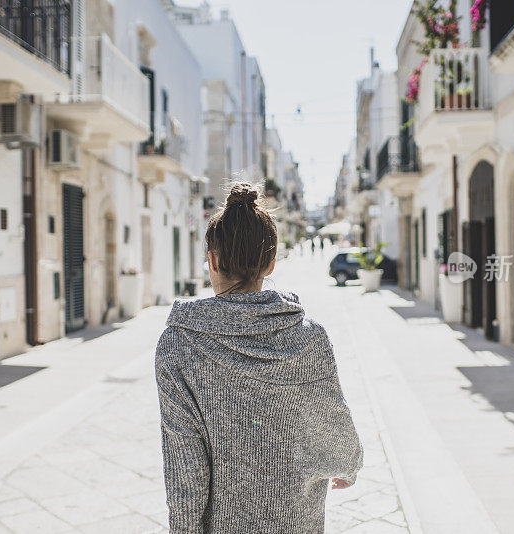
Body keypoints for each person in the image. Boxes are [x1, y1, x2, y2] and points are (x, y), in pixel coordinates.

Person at [155, 182, 363, 533]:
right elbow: (335, 428)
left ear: (213, 259)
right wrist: (348, 466)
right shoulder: (309, 338)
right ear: (270, 263)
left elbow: (184, 471)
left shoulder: (178, 344)